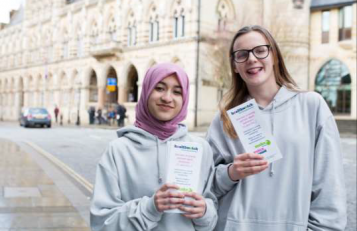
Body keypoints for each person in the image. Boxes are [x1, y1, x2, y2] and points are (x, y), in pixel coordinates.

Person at [206, 25, 346, 231]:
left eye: (260, 50)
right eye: (242, 54)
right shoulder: (224, 119)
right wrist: (231, 173)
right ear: (235, 65)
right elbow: (205, 187)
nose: (252, 59)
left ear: (275, 57)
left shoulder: (312, 106)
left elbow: (329, 187)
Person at [90, 63, 218, 231]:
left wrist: (205, 212)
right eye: (159, 88)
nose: (167, 98)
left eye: (177, 92)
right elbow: (102, 223)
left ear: (185, 98)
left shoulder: (201, 148)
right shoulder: (118, 150)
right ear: (146, 91)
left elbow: (212, 215)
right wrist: (150, 208)